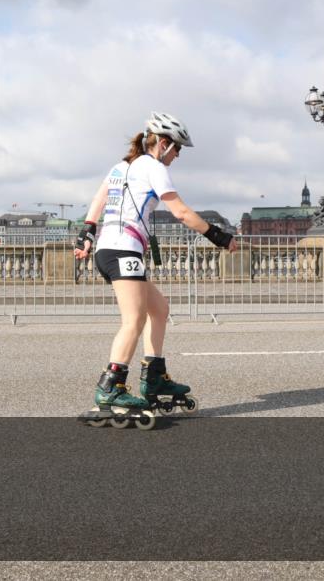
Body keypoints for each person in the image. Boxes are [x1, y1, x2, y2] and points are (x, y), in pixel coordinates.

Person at [74, 112, 237, 425]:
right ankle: (111, 388)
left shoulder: (122, 166)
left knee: (159, 309)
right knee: (133, 319)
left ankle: (154, 377)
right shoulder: (153, 167)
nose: (177, 155)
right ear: (163, 144)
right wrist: (218, 236)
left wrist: (88, 232)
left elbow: (99, 197)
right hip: (123, 250)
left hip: (111, 248)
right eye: (177, 149)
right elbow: (181, 212)